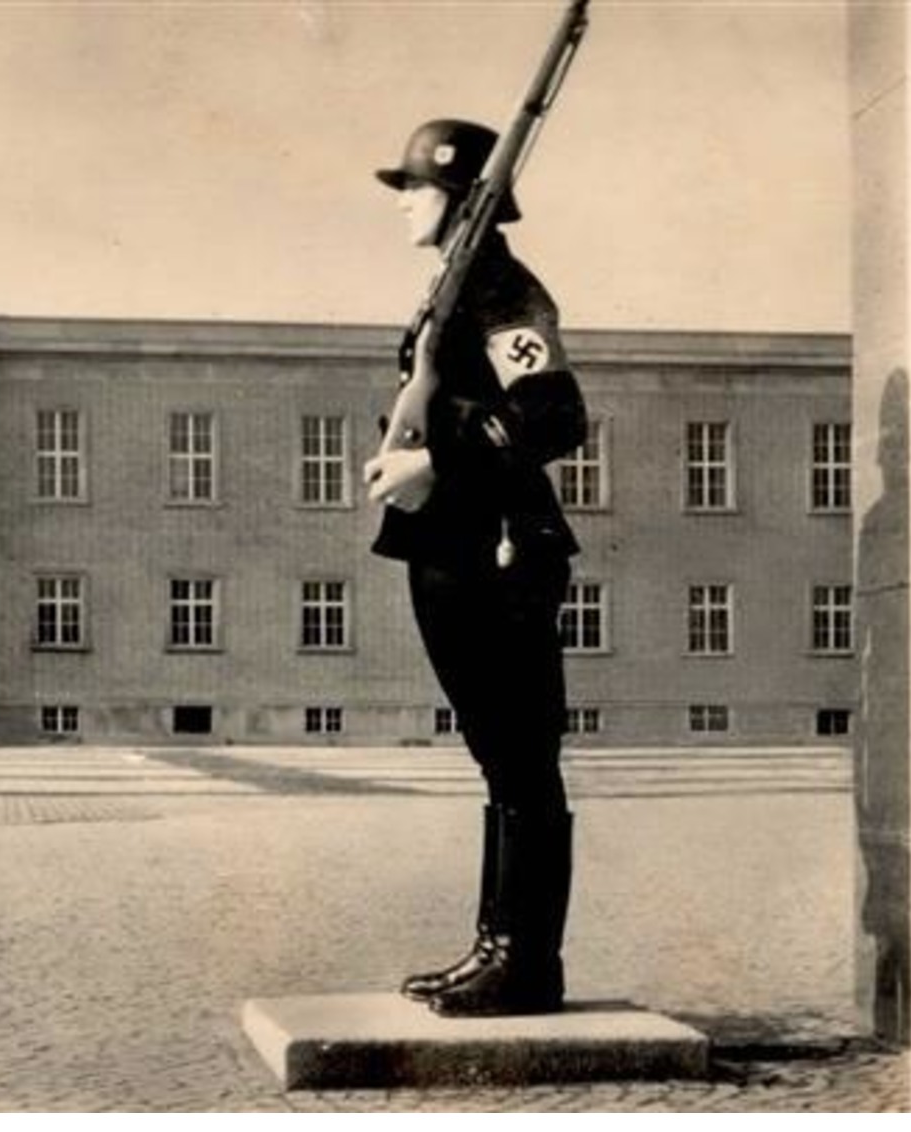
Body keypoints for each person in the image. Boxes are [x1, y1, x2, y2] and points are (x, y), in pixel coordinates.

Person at [363, 118, 588, 1017]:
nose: (404, 205)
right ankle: (497, 946)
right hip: (450, 545)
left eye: (414, 188)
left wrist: (438, 459)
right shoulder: (455, 287)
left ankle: (528, 963)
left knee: (521, 758)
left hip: (498, 546)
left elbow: (554, 414)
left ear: (460, 196)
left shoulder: (503, 291)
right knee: (497, 754)